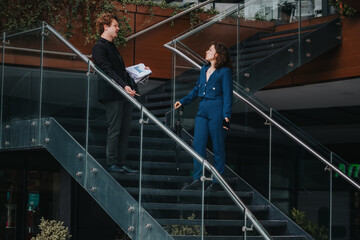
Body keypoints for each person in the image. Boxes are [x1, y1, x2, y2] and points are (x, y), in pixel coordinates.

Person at [174, 41, 233, 191]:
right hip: (203, 108)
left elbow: (227, 94)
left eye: (210, 49)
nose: (206, 51)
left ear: (217, 54)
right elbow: (196, 89)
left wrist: (226, 114)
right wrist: (183, 101)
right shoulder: (204, 69)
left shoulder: (225, 71)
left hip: (217, 109)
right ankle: (198, 179)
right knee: (198, 144)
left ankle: (217, 181)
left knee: (217, 145)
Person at [92, 13, 144, 173]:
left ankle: (121, 162)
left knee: (125, 129)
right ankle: (112, 162)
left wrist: (140, 73)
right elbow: (107, 71)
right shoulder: (99, 47)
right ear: (105, 26)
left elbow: (120, 72)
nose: (118, 28)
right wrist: (124, 86)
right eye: (115, 25)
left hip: (122, 93)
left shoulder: (112, 47)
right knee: (115, 129)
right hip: (111, 93)